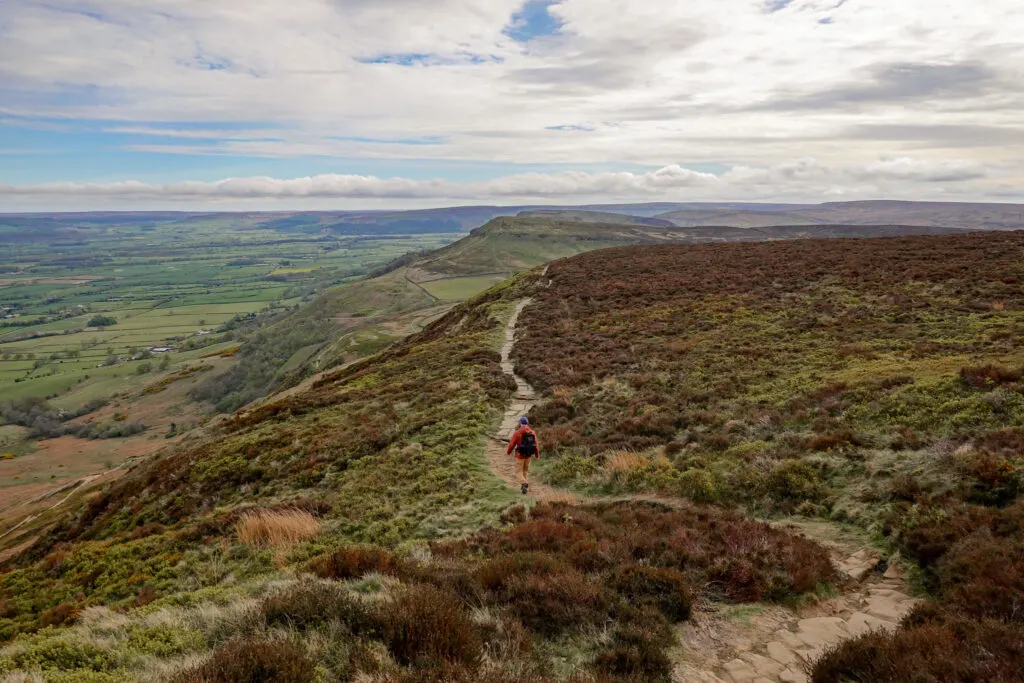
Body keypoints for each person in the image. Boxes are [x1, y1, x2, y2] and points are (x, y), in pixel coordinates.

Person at [507, 416, 540, 494]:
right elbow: (536, 444)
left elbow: (512, 444)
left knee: (518, 472)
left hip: (519, 456)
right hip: (528, 456)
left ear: (520, 423)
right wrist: (537, 455)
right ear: (527, 423)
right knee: (525, 470)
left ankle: (524, 483)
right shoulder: (532, 432)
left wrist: (508, 452)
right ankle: (523, 488)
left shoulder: (517, 433)